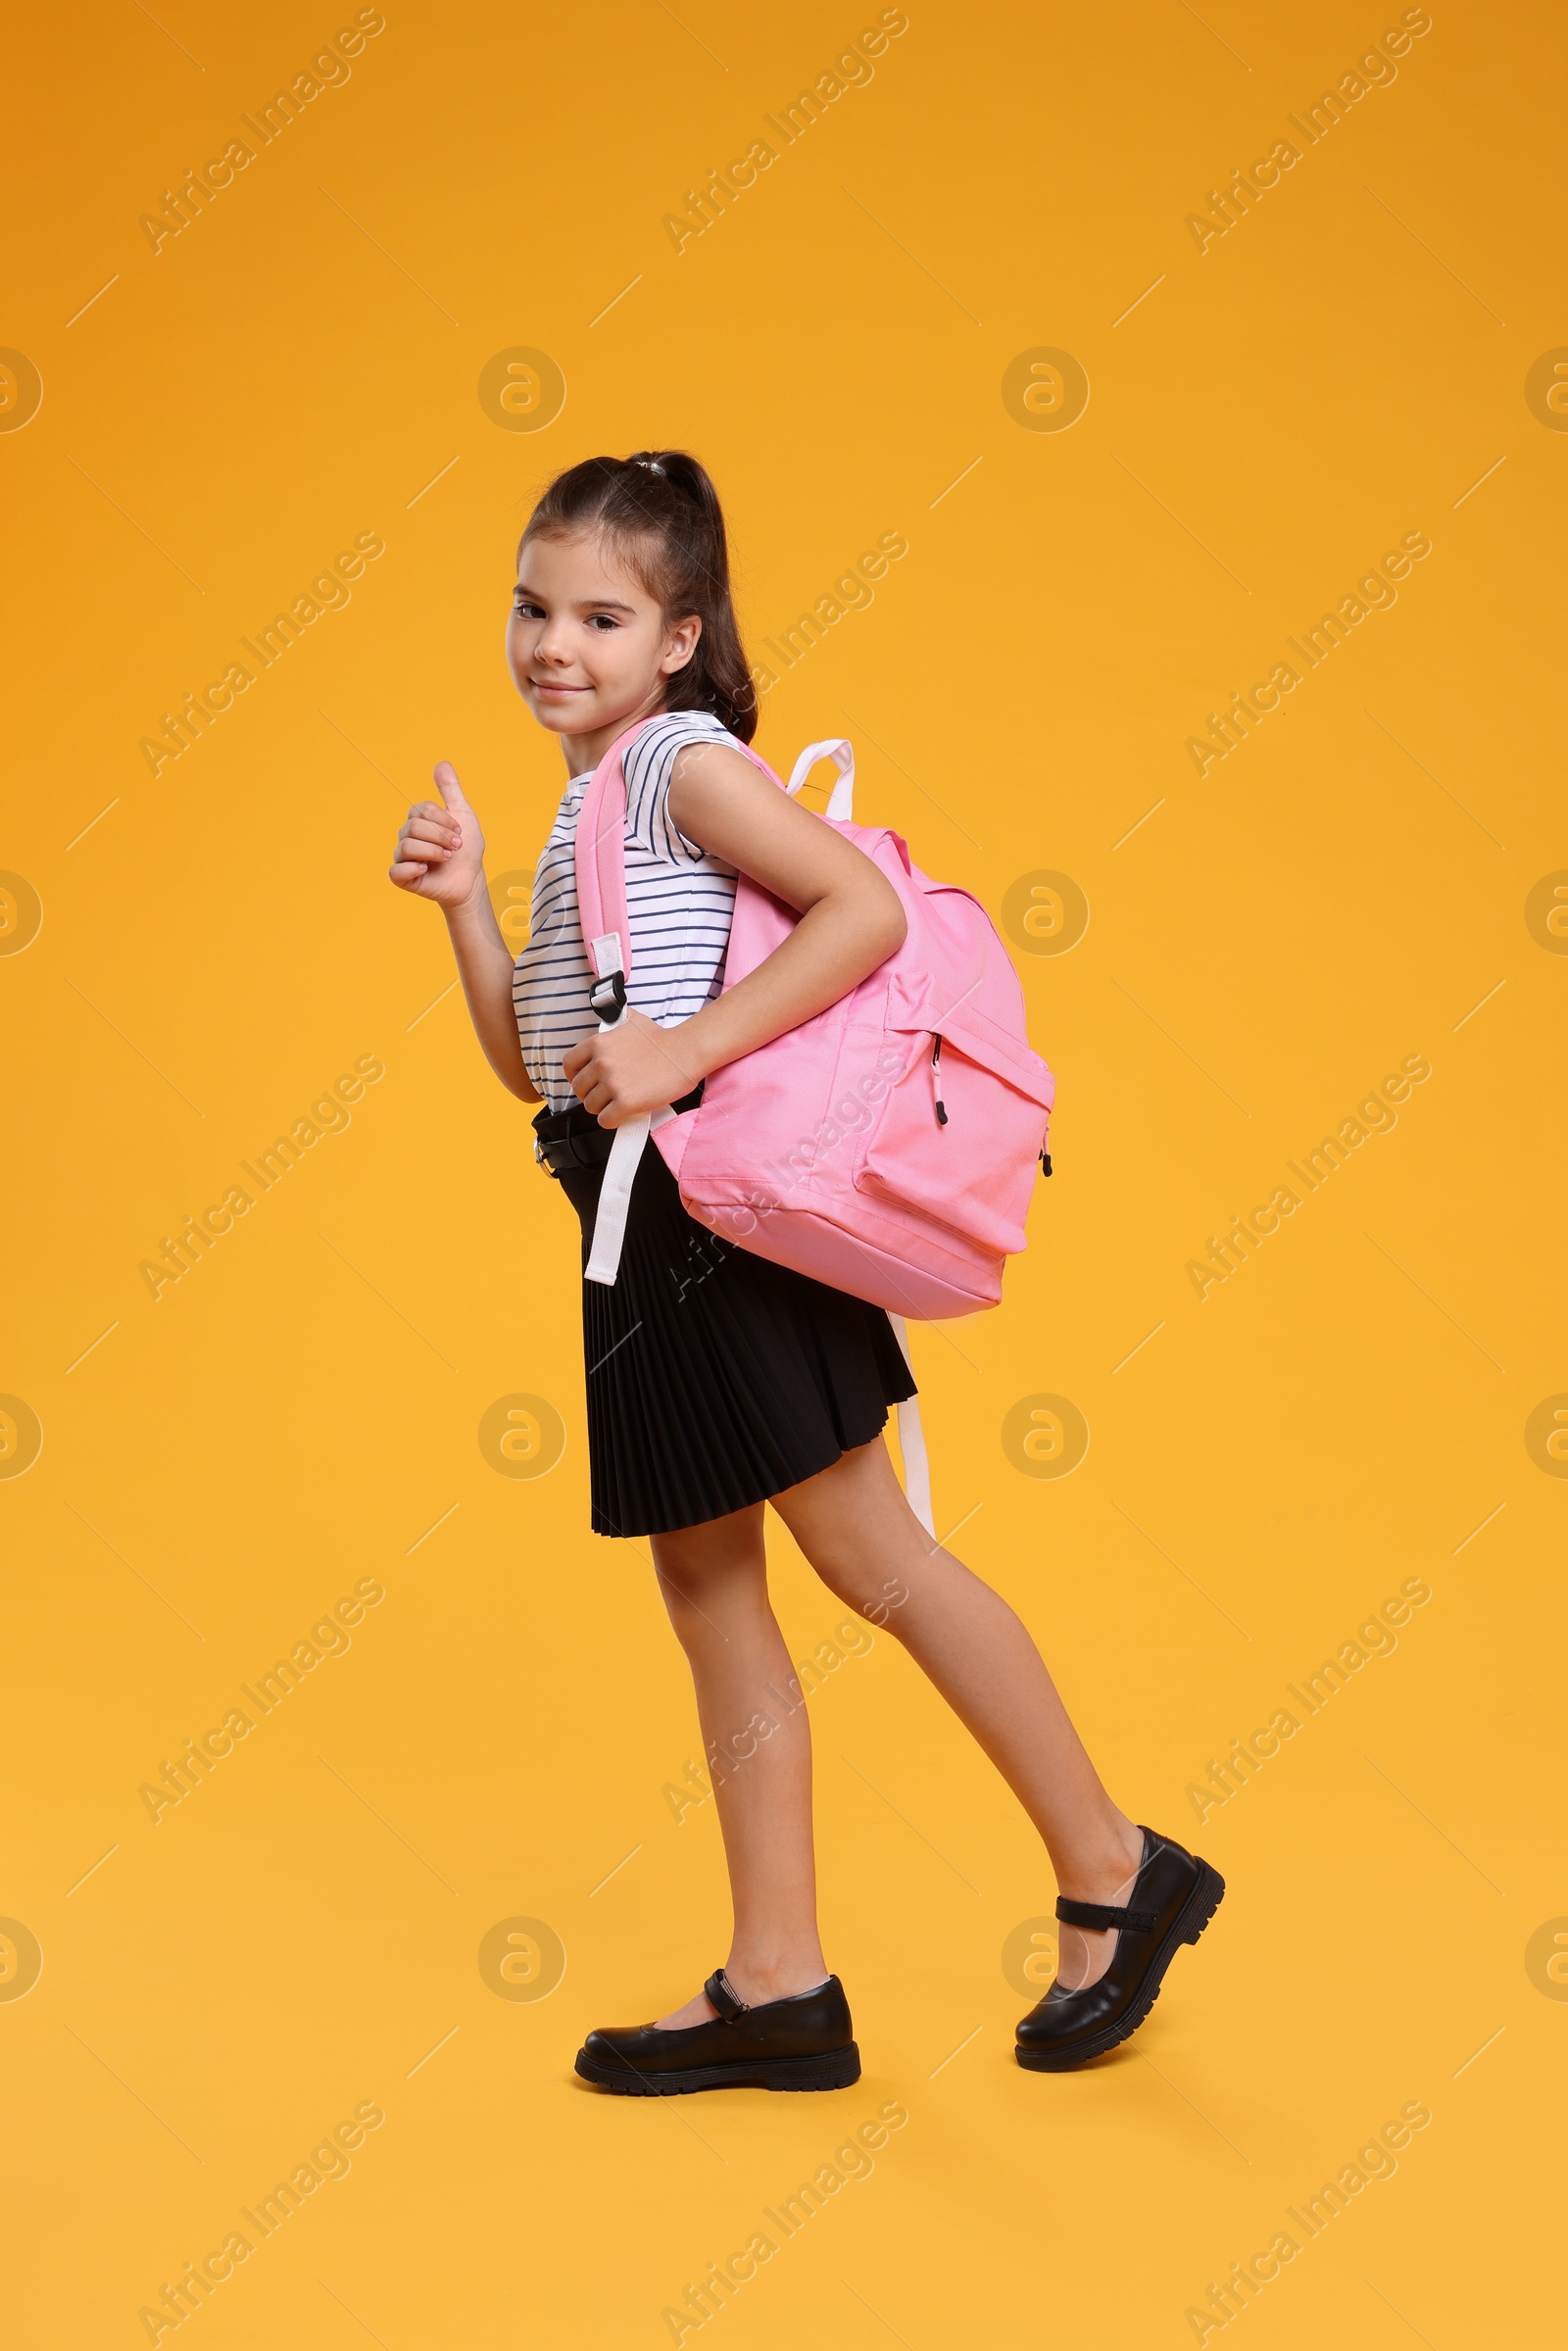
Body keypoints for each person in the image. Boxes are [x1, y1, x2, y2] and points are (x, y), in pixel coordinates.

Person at [388, 449, 1223, 2093]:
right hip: (635, 1224)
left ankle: (1118, 1871)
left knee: (872, 1558)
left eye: (603, 615)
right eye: (534, 607)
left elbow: (862, 913)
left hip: (708, 1227)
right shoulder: (589, 801)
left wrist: (688, 1046)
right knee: (708, 1585)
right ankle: (779, 1981)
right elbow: (546, 1065)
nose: (557, 643)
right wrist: (468, 913)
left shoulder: (677, 769)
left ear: (680, 636)